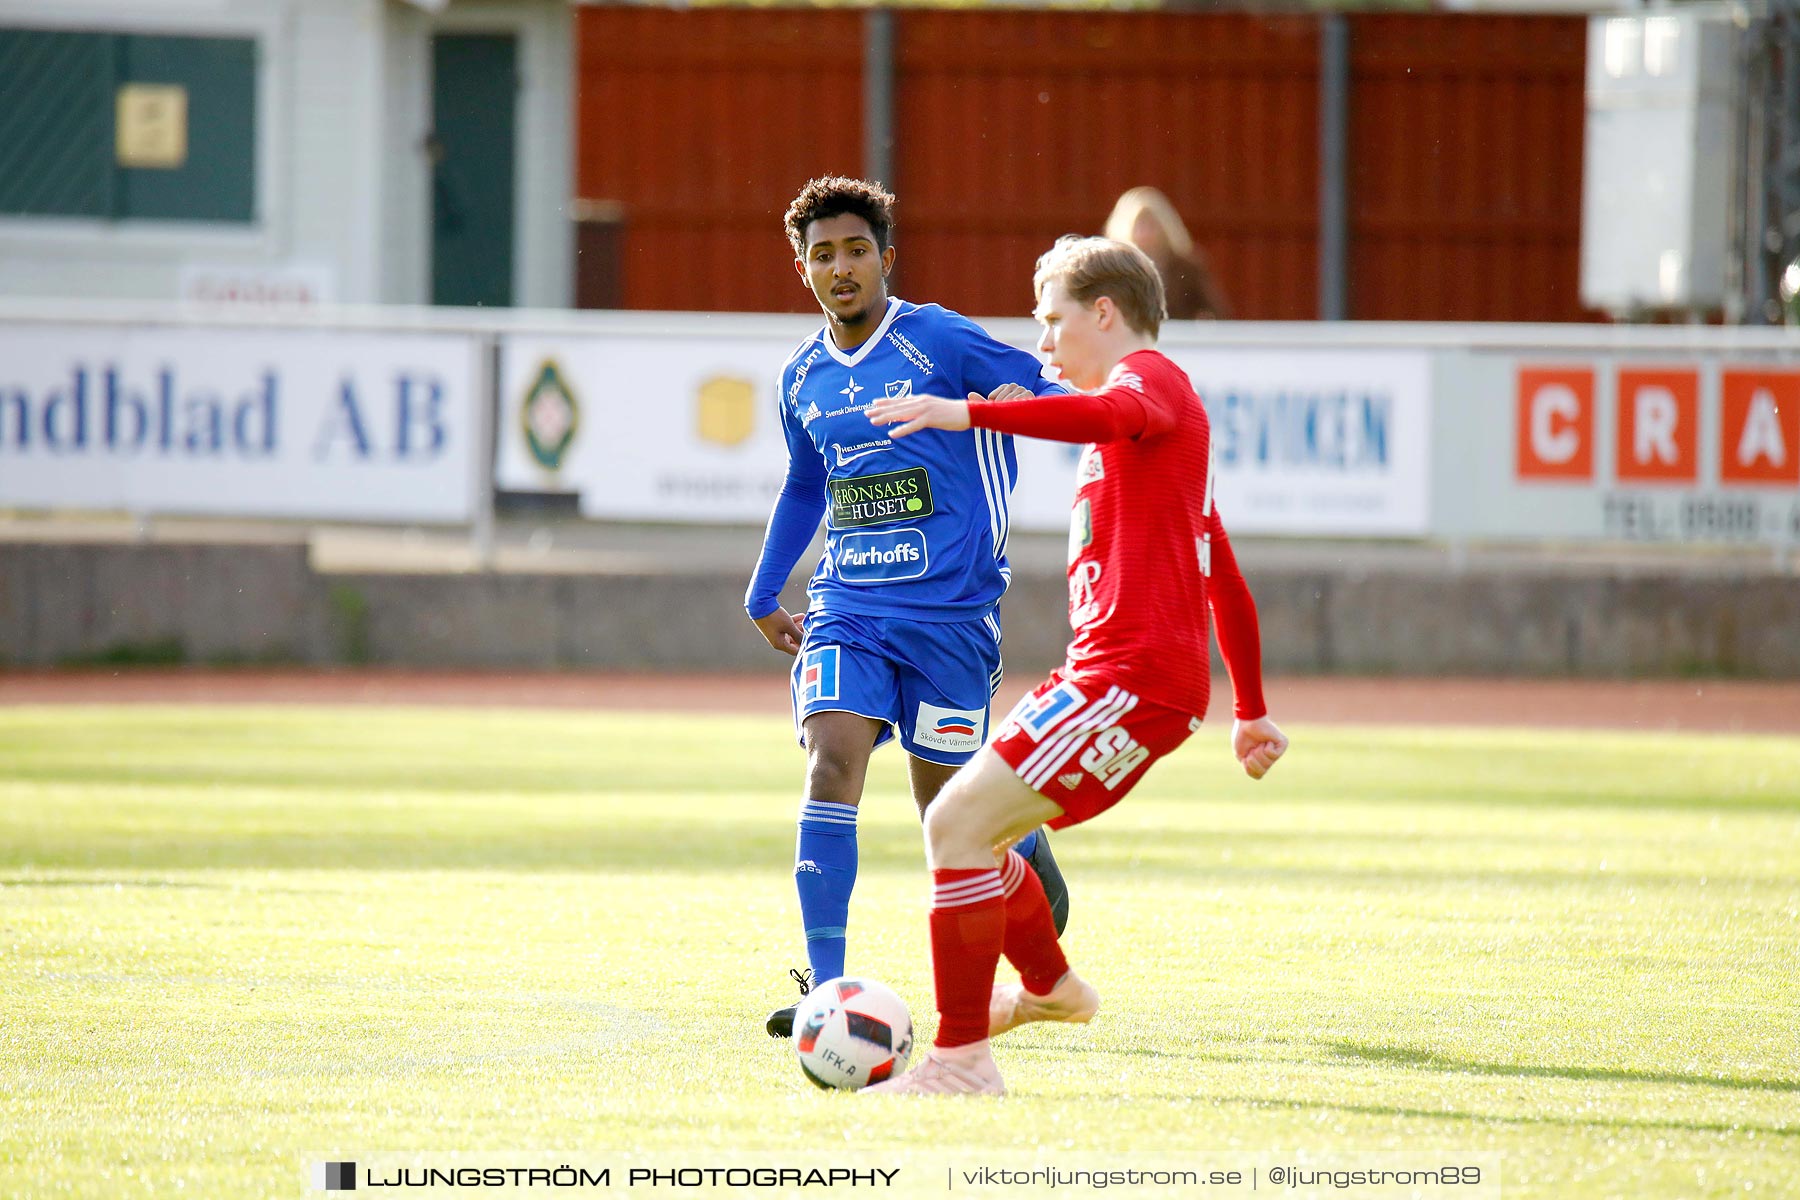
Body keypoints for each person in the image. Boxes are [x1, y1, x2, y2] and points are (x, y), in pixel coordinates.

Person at [859, 235, 1288, 1095]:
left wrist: (966, 412)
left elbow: (1107, 411)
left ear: (1105, 312)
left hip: (1125, 682)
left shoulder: (1152, 385)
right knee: (983, 830)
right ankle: (1051, 990)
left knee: (954, 827)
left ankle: (961, 1060)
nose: (1044, 344)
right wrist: (1250, 711)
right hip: (1111, 679)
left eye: (1053, 322)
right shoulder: (1156, 429)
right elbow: (1225, 578)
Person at [746, 176, 1073, 1039]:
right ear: (803, 270)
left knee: (946, 816)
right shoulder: (802, 378)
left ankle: (1022, 848)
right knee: (831, 764)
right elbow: (806, 484)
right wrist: (763, 586)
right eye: (823, 255)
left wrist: (1014, 408)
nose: (841, 267)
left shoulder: (939, 339)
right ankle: (828, 992)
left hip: (952, 619)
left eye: (856, 250)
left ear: (886, 260)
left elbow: (1049, 397)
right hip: (848, 607)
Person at [1103, 186, 1231, 321]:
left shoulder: (1186, 268)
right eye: (1139, 225)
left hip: (1178, 339)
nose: (1145, 232)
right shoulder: (1114, 269)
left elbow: (1214, 311)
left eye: (1150, 225)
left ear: (1164, 226)